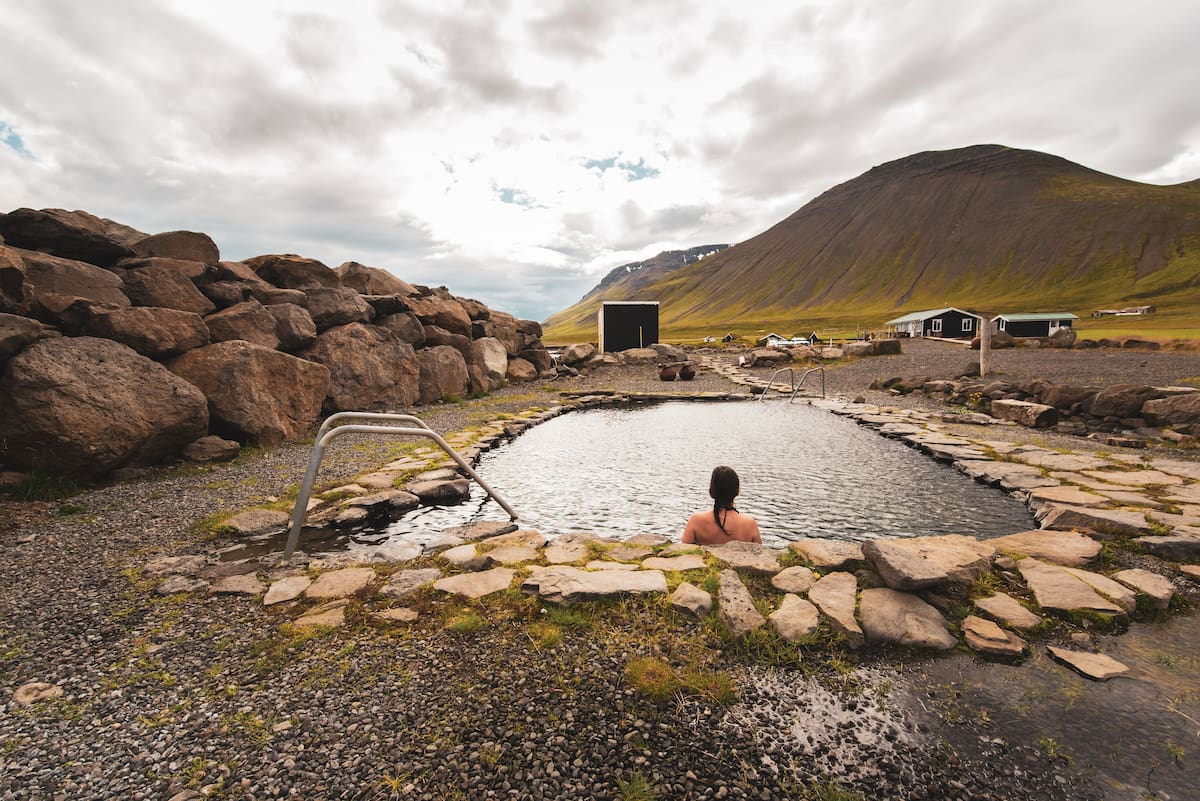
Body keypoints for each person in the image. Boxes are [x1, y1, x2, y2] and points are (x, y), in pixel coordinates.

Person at [681, 466, 762, 545]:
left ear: (711, 491)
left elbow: (681, 551)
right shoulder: (749, 523)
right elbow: (760, 554)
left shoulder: (696, 520)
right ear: (737, 491)